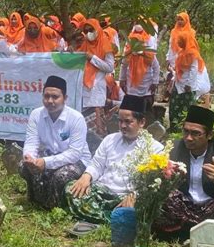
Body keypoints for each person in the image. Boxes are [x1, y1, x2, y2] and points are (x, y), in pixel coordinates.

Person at [64, 95, 164, 234]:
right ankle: (114, 219)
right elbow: (97, 164)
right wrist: (86, 176)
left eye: (128, 122)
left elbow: (152, 183)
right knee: (71, 189)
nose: (123, 126)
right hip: (102, 192)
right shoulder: (109, 139)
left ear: (142, 122)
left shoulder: (155, 148)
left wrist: (136, 195)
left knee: (142, 207)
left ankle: (100, 219)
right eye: (120, 121)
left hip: (127, 198)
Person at [154, 105, 214, 241]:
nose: (188, 138)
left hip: (210, 208)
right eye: (186, 132)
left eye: (196, 133)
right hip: (182, 207)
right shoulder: (174, 148)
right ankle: (173, 237)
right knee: (164, 197)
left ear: (210, 135)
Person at [19, 75, 92, 210]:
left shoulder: (76, 118)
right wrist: (29, 157)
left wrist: (45, 162)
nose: (50, 101)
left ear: (65, 98)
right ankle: (35, 199)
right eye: (46, 96)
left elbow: (74, 153)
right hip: (50, 155)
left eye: (55, 97)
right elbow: (31, 142)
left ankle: (54, 207)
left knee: (61, 175)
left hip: (77, 161)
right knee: (24, 166)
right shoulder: (36, 114)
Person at [119, 22, 160, 124]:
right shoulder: (128, 54)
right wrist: (122, 79)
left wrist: (155, 82)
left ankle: (148, 124)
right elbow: (123, 66)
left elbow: (156, 68)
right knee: (132, 107)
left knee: (146, 108)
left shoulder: (149, 54)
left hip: (146, 85)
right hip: (132, 85)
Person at [166, 12, 210, 102]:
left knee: (190, 78)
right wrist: (169, 59)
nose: (179, 21)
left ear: (186, 20)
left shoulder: (191, 32)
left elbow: (191, 45)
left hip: (188, 58)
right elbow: (171, 46)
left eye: (181, 19)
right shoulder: (173, 32)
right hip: (177, 58)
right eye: (178, 19)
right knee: (174, 80)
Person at [77, 18, 115, 111]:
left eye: (91, 30)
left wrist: (93, 58)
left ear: (97, 29)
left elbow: (110, 67)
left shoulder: (105, 45)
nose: (88, 33)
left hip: (96, 92)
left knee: (95, 123)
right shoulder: (84, 45)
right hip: (81, 92)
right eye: (86, 31)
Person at [168, 32, 199, 132]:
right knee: (174, 107)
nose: (179, 42)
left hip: (187, 86)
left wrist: (188, 84)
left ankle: (187, 130)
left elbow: (194, 69)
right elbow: (178, 68)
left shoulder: (192, 54)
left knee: (187, 108)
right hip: (178, 83)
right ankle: (174, 128)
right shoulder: (180, 53)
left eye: (181, 41)